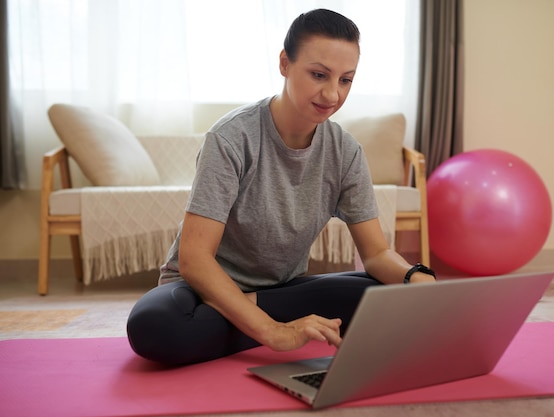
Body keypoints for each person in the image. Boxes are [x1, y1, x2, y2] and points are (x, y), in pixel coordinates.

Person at [126, 8, 435, 366]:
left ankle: (248, 319)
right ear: (285, 63)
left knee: (388, 295)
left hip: (277, 291)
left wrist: (416, 279)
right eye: (319, 74)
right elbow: (195, 261)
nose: (332, 94)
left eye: (346, 80)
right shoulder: (231, 138)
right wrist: (275, 332)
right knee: (156, 326)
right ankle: (267, 321)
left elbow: (377, 255)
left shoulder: (346, 151)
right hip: (198, 292)